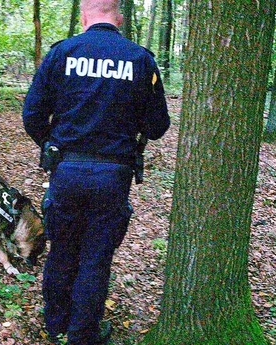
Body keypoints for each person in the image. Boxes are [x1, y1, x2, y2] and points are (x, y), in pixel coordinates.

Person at [22, 0, 170, 343]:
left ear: (85, 15)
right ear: (117, 16)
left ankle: (56, 324)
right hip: (113, 174)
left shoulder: (62, 54)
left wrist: (52, 146)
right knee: (96, 256)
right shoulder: (139, 59)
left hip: (67, 170)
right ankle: (82, 334)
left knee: (62, 249)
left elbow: (32, 115)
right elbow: (158, 124)